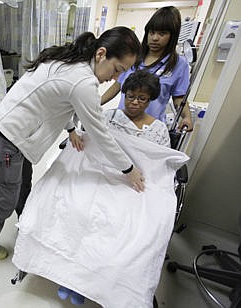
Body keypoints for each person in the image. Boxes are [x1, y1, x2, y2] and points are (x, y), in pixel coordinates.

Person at [12, 70, 189, 307]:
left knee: (119, 222)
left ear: (151, 100)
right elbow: (92, 142)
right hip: (101, 171)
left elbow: (157, 164)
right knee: (73, 204)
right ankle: (68, 275)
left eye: (142, 99)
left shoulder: (157, 129)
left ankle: (91, 282)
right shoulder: (108, 116)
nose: (135, 102)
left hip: (133, 182)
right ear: (123, 93)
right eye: (131, 96)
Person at [0, 26, 145, 260]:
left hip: (12, 133)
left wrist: (71, 128)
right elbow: (100, 134)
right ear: (101, 54)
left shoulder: (70, 60)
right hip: (7, 138)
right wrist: (129, 169)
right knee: (5, 197)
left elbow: (54, 100)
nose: (114, 78)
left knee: (23, 185)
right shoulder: (84, 82)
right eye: (117, 70)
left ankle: (26, 223)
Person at [100, 6, 193, 139]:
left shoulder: (179, 64)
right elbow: (118, 85)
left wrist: (187, 117)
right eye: (151, 32)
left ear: (172, 37)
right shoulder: (134, 57)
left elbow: (179, 97)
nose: (155, 38)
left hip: (148, 130)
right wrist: (95, 103)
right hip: (122, 124)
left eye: (162, 34)